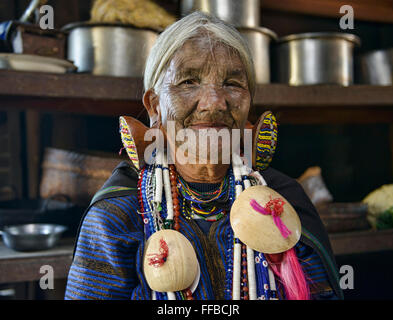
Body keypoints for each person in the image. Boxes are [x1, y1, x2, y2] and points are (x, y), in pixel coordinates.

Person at [65, 12, 343, 300]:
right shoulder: (118, 215)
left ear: (249, 105)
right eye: (188, 81)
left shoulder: (282, 201)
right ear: (155, 106)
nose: (214, 103)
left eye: (233, 84)